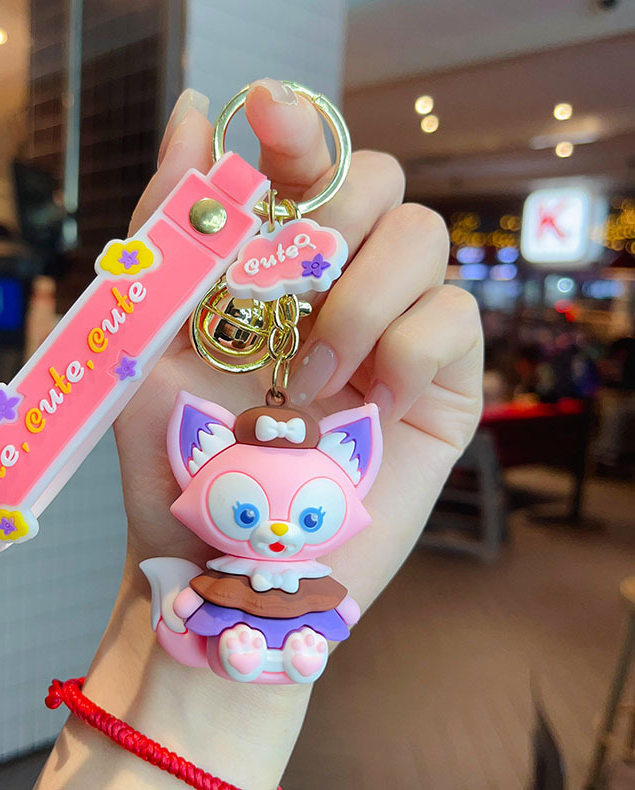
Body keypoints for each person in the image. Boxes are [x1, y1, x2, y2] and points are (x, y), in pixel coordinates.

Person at [34, 78, 484, 790]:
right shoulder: (209, 515)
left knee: (297, 632)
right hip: (223, 615)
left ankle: (278, 652)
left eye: (307, 518)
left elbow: (334, 607)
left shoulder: (324, 521)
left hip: (281, 623)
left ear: (354, 468)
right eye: (246, 512)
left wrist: (227, 702)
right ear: (199, 455)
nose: (276, 531)